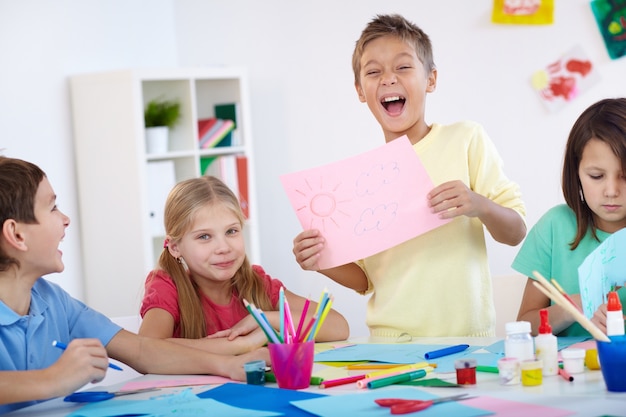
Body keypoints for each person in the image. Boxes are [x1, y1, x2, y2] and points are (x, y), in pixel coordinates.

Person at [292, 14, 526, 338]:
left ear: (430, 79)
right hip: (390, 344)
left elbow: (515, 232)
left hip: (466, 340)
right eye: (374, 72)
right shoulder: (358, 181)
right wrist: (320, 260)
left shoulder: (466, 139)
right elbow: (365, 280)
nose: (388, 79)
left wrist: (478, 204)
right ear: (361, 90)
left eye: (403, 67)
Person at [0, 157, 269, 414]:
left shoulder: (55, 301)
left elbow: (142, 350)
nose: (66, 219)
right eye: (52, 207)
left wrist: (227, 365)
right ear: (17, 234)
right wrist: (52, 379)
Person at [138, 176, 349, 349]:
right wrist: (245, 344)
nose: (224, 247)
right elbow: (148, 350)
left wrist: (264, 320)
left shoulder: (256, 283)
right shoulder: (167, 286)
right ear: (175, 247)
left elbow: (339, 326)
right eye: (204, 237)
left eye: (231, 231)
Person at [514, 98, 626, 336]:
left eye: (625, 176)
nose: (612, 190)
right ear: (576, 173)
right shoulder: (555, 227)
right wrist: (571, 308)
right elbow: (525, 326)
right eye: (596, 176)